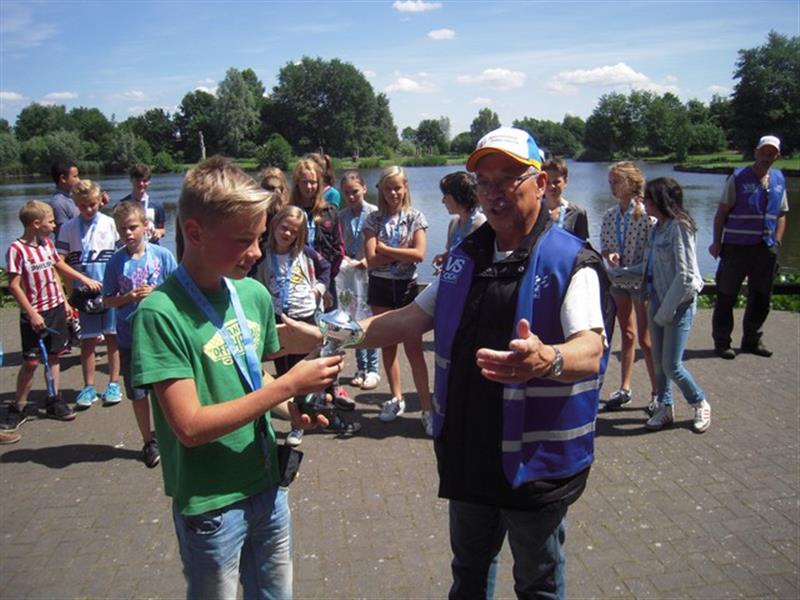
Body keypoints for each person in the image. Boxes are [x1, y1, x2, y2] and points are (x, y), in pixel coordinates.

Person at [356, 127, 610, 598]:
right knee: (468, 575)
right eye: (485, 182)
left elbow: (591, 349)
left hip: (535, 465)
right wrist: (333, 335)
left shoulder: (569, 260)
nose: (494, 193)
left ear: (540, 182)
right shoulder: (465, 257)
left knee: (537, 583)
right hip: (470, 451)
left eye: (509, 178)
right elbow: (409, 318)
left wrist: (547, 358)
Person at [131, 156, 342, 599]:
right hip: (212, 504)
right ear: (194, 233)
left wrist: (289, 409)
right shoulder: (160, 312)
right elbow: (189, 427)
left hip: (268, 485)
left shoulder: (252, 293)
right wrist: (289, 385)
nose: (257, 252)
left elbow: (251, 378)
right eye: (243, 240)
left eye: (260, 238)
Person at [609, 178, 711, 432]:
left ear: (662, 201)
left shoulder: (680, 227)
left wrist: (666, 312)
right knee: (658, 362)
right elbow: (648, 267)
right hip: (656, 300)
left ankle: (699, 402)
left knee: (672, 365)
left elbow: (686, 277)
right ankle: (665, 408)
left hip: (678, 305)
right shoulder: (657, 228)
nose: (644, 202)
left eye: (650, 198)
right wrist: (617, 273)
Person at [3, 200, 101, 431]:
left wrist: (78, 285)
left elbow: (58, 265)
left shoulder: (46, 244)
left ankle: (53, 399)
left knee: (55, 355)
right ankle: (19, 406)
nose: (55, 225)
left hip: (55, 308)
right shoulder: (17, 250)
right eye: (51, 221)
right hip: (35, 312)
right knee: (31, 362)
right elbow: (14, 286)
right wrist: (32, 314)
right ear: (36, 224)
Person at [102, 202, 178, 467]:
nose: (128, 233)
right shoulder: (115, 262)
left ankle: (171, 433)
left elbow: (178, 289)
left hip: (159, 335)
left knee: (165, 388)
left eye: (133, 227)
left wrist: (156, 293)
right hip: (130, 337)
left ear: (145, 226)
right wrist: (129, 297)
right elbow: (107, 300)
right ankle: (148, 441)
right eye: (122, 229)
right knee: (137, 393)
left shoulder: (162, 256)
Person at [254, 205, 335, 447]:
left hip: (305, 317)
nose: (287, 233)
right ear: (275, 225)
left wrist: (318, 289)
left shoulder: (305, 253)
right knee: (285, 374)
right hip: (278, 319)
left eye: (293, 231)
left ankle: (303, 419)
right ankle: (293, 417)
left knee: (307, 371)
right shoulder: (261, 255)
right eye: (284, 227)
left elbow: (326, 268)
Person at [363, 166, 433, 435]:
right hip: (380, 286)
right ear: (381, 190)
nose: (393, 193)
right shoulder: (373, 219)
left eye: (397, 188)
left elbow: (420, 254)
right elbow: (371, 260)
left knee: (414, 349)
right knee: (388, 345)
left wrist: (386, 249)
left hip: (406, 287)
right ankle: (396, 398)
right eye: (388, 188)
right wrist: (402, 252)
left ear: (405, 188)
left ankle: (426, 408)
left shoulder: (415, 217)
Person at [709, 135, 789, 359]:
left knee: (761, 296)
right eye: (763, 152)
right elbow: (721, 213)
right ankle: (722, 342)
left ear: (777, 156)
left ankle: (752, 340)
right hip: (736, 247)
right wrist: (717, 241)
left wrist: (777, 241)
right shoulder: (738, 178)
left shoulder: (778, 179)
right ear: (756, 152)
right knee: (726, 294)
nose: (766, 157)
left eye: (771, 153)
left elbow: (782, 214)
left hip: (766, 248)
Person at [56, 180, 122, 408]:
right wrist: (76, 286)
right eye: (82, 206)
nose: (88, 209)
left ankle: (114, 383)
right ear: (76, 204)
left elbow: (121, 254)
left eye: (92, 204)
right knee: (88, 340)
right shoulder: (68, 228)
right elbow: (58, 261)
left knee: (112, 337)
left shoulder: (110, 224)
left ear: (100, 200)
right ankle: (89, 387)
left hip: (110, 290)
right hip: (84, 294)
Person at [600, 161, 658, 412]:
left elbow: (653, 251)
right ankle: (625, 388)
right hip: (619, 280)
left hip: (641, 281)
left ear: (631, 183)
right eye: (610, 182)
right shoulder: (610, 215)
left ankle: (658, 392)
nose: (612, 186)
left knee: (645, 338)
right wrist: (610, 255)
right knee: (627, 334)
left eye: (616, 181)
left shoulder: (647, 216)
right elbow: (605, 246)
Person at [337, 170, 381, 390]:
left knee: (369, 320)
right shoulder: (341, 216)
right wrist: (343, 258)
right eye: (346, 193)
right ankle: (361, 367)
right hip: (349, 274)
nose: (351, 196)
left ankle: (373, 368)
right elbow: (339, 244)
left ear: (364, 188)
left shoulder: (375, 213)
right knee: (353, 320)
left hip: (370, 273)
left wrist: (368, 259)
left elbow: (381, 243)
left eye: (355, 191)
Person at [289, 159, 344, 308]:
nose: (309, 187)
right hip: (296, 279)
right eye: (304, 182)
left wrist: (326, 278)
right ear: (297, 184)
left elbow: (338, 248)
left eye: (313, 182)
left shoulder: (330, 211)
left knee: (328, 318)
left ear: (319, 184)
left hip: (325, 278)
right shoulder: (289, 211)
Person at [431, 171, 486, 271]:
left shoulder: (482, 224)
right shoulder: (454, 222)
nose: (442, 201)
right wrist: (443, 258)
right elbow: (452, 253)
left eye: (445, 196)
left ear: (458, 197)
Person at [118, 163, 167, 244]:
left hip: (152, 246)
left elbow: (162, 229)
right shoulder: (122, 205)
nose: (141, 184)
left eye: (144, 181)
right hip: (131, 247)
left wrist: (158, 232)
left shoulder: (157, 205)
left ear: (149, 182)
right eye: (137, 180)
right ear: (131, 180)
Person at [542, 158, 589, 240]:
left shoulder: (577, 212)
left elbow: (582, 244)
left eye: (556, 182)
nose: (552, 186)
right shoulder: (533, 211)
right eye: (547, 182)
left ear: (565, 181)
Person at [49, 160, 81, 235]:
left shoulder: (73, 197)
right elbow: (63, 232)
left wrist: (98, 204)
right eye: (75, 176)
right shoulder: (59, 203)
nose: (79, 180)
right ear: (63, 178)